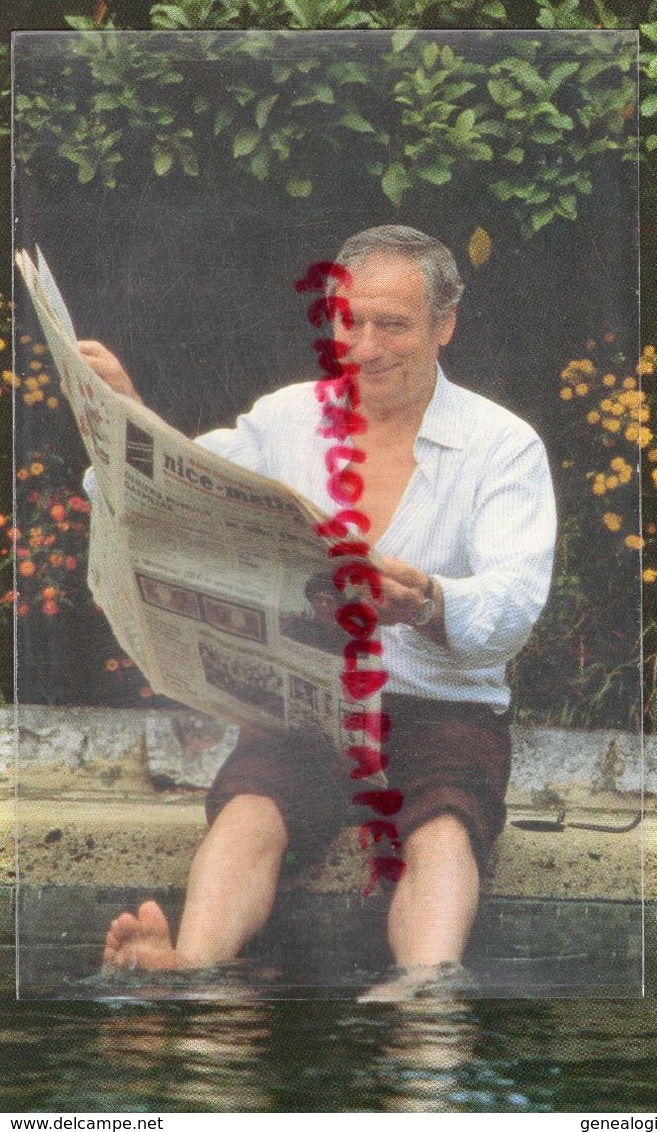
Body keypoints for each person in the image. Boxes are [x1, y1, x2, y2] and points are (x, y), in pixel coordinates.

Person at [79, 225, 557, 998]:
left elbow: (513, 606)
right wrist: (125, 424)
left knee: (439, 822)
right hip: (309, 704)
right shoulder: (287, 419)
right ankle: (194, 971)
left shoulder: (502, 447)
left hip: (440, 708)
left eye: (393, 325)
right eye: (347, 322)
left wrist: (430, 602)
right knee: (252, 800)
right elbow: (170, 497)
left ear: (445, 325)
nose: (363, 348)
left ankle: (425, 995)